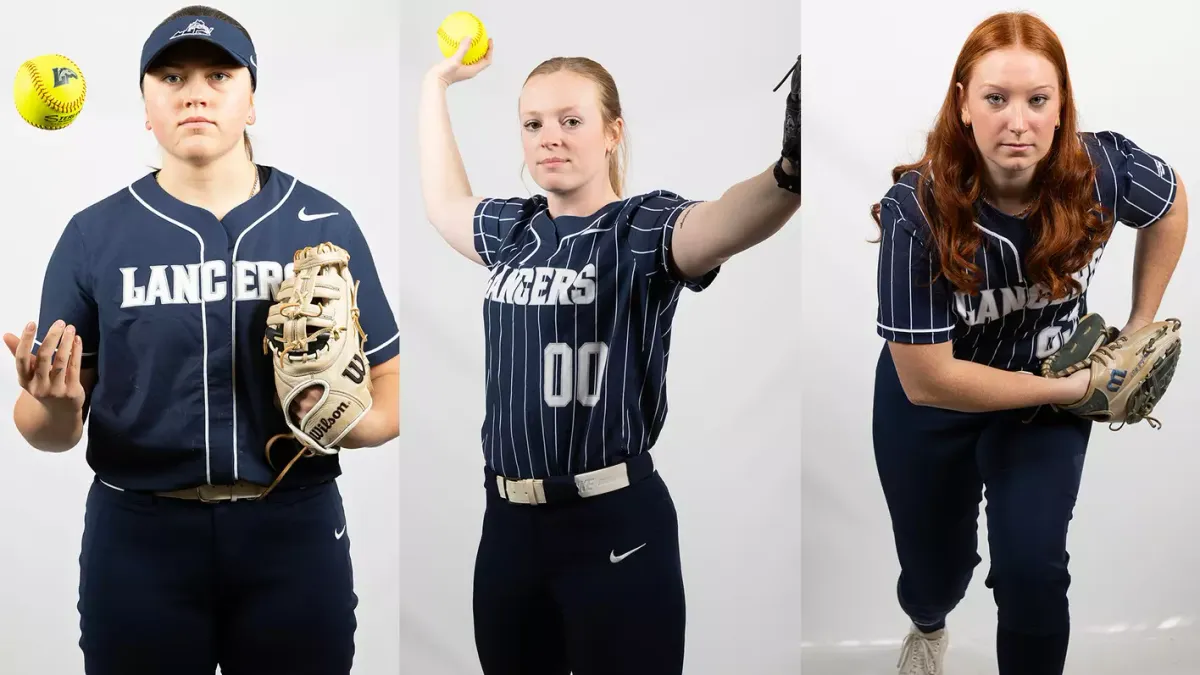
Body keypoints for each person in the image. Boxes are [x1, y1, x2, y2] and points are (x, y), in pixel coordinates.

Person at [4, 6, 400, 674]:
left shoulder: (322, 220)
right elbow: (44, 427)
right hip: (139, 539)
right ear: (146, 107)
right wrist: (61, 405)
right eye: (172, 76)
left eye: (219, 75)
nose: (195, 91)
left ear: (251, 102)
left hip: (293, 529)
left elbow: (389, 387)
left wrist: (339, 417)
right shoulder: (93, 235)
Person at [417, 36, 799, 675]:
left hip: (614, 525)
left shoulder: (642, 227)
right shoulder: (515, 231)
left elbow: (725, 221)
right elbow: (444, 204)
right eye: (533, 124)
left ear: (612, 132)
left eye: (572, 121)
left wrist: (788, 172)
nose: (550, 137)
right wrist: (436, 84)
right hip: (508, 526)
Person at [871, 11, 1186, 675]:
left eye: (1038, 100)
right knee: (936, 572)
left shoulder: (1103, 167)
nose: (1018, 121)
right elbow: (927, 379)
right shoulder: (915, 207)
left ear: (1061, 103)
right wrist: (1078, 388)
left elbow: (1172, 200)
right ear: (962, 103)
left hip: (1045, 396)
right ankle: (928, 624)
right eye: (996, 98)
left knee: (1033, 568)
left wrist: (1139, 321)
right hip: (935, 404)